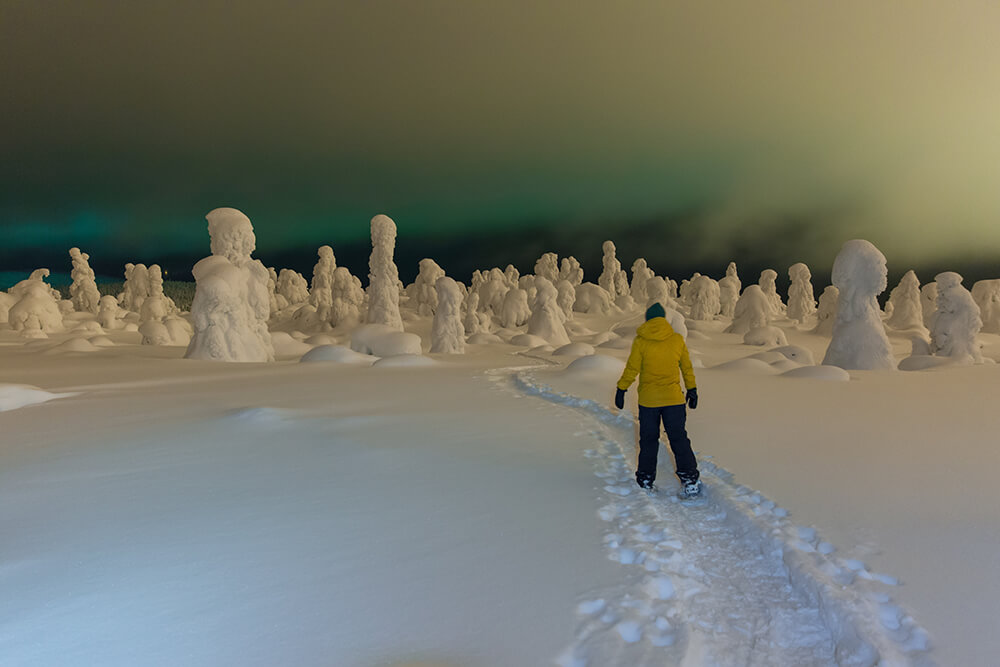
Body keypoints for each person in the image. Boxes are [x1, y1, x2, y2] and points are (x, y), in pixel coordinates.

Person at [614, 302, 701, 496]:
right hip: (674, 402)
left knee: (648, 441)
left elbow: (632, 368)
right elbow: (686, 367)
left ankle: (645, 480)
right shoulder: (677, 340)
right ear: (663, 319)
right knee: (678, 439)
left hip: (649, 403)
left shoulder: (641, 341)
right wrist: (692, 389)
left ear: (648, 319)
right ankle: (690, 481)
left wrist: (622, 388)